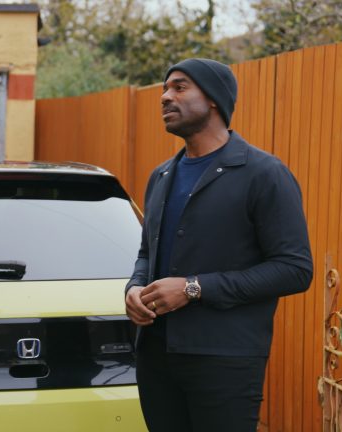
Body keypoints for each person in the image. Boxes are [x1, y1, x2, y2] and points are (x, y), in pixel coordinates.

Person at [124, 58, 313, 431]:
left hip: (224, 361)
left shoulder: (263, 173)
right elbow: (148, 251)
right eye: (165, 88)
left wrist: (195, 288)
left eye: (179, 87)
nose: (165, 97)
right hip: (156, 357)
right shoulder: (160, 175)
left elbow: (295, 269)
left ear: (214, 99)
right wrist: (134, 287)